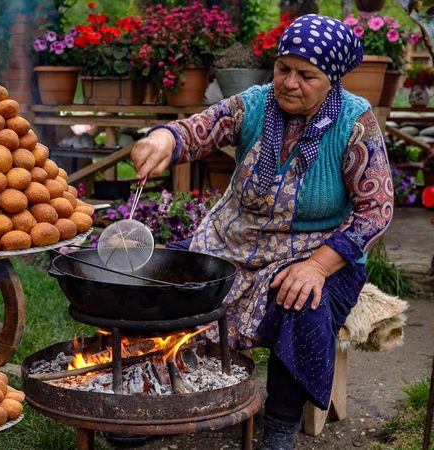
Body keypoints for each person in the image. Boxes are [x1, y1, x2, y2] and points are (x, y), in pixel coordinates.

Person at [131, 14, 393, 450]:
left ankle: (280, 426)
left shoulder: (354, 122)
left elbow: (375, 210)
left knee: (301, 301)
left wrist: (317, 266)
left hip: (320, 252)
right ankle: (156, 405)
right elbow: (200, 129)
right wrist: (165, 138)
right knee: (161, 280)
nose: (289, 82)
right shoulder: (254, 104)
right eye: (283, 68)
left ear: (331, 78)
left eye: (306, 75)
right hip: (233, 243)